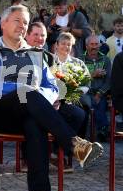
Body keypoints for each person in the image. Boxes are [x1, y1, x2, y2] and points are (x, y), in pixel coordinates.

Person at [0, 5, 103, 191]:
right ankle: (74, 143)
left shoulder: (36, 54)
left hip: (30, 113)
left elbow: (51, 87)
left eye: (25, 22)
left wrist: (43, 94)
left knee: (35, 124)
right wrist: (17, 89)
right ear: (3, 23)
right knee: (27, 93)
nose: (22, 26)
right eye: (17, 20)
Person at [25, 23, 86, 171]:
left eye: (43, 36)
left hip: (52, 101)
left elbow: (52, 82)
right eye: (36, 35)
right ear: (27, 36)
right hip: (26, 102)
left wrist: (55, 97)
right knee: (32, 117)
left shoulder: (48, 58)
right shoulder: (19, 54)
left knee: (78, 113)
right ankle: (27, 158)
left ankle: (59, 153)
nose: (40, 39)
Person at [81, 35, 111, 141]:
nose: (94, 47)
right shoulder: (80, 59)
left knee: (99, 104)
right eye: (92, 44)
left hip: (100, 92)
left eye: (96, 44)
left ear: (100, 45)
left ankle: (101, 130)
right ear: (86, 45)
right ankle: (103, 128)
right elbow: (78, 79)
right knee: (91, 103)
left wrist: (100, 93)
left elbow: (108, 80)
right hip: (85, 92)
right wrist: (92, 74)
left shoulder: (106, 59)